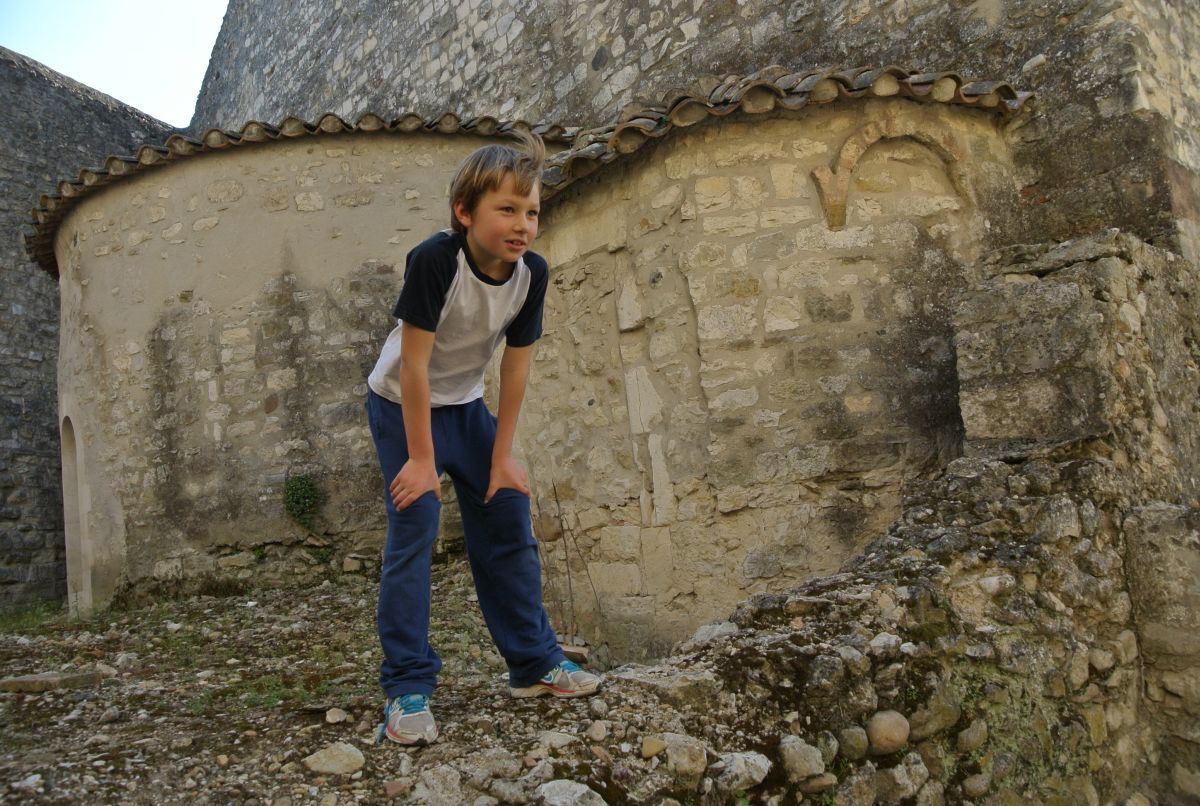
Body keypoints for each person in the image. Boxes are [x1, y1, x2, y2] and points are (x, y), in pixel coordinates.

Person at [365, 130, 600, 746]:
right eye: (508, 209)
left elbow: (515, 369)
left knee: (508, 510)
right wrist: (422, 461)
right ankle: (406, 687)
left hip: (466, 407)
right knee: (415, 524)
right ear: (465, 213)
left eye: (532, 212)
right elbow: (414, 367)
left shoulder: (531, 275)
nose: (523, 225)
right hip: (402, 405)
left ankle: (534, 663)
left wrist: (502, 458)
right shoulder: (435, 260)